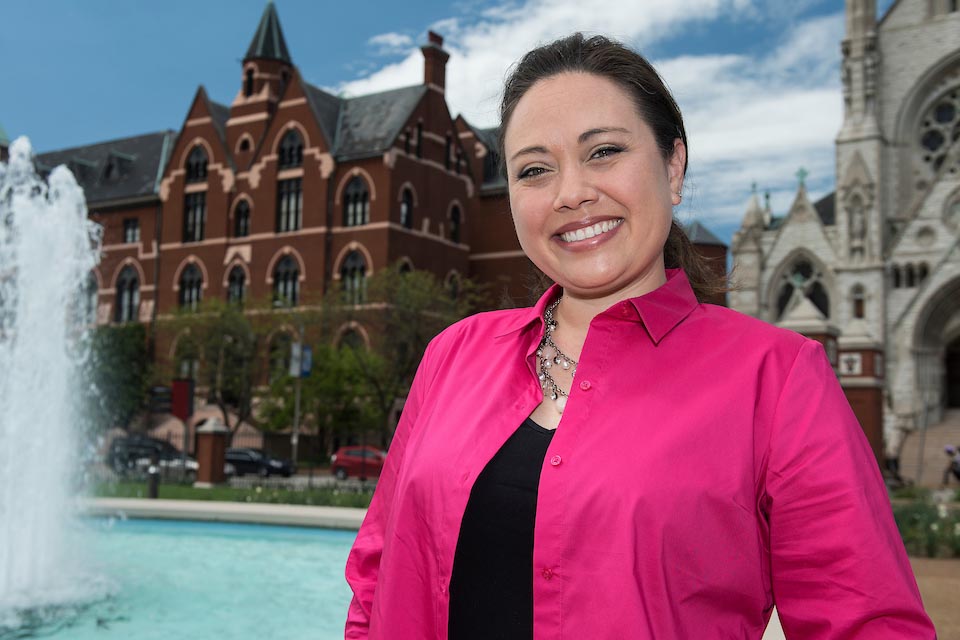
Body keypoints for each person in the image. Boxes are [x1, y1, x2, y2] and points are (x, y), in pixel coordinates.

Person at [344, 33, 935, 639]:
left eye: (602, 152)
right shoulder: (454, 354)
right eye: (534, 169)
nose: (570, 192)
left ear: (673, 166)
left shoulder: (778, 379)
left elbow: (868, 622)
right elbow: (376, 575)